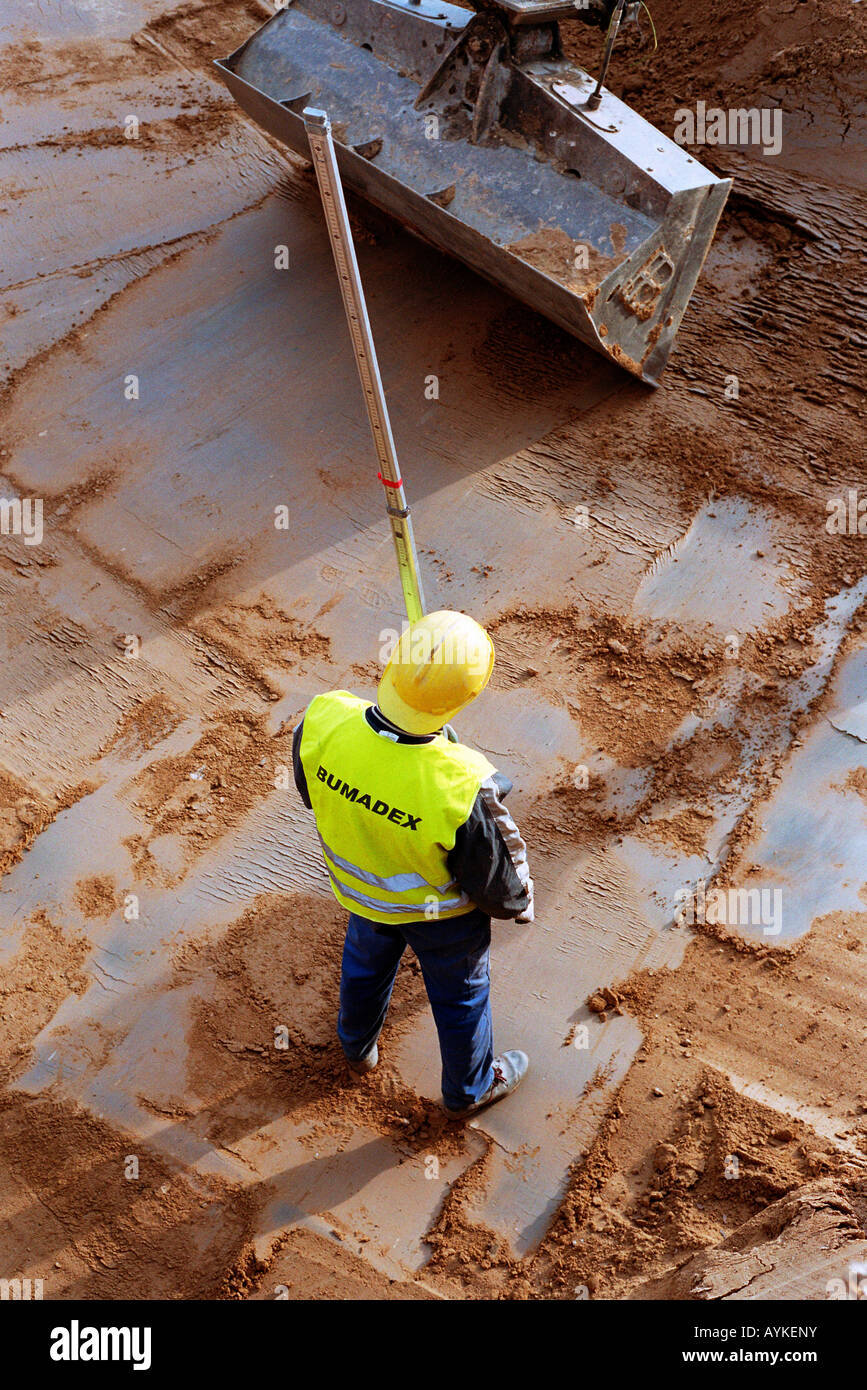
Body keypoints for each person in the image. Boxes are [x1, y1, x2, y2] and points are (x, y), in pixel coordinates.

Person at [291, 609, 534, 1118]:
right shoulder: (461, 783)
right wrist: (520, 903)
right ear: (466, 699)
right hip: (443, 920)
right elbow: (500, 889)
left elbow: (311, 793)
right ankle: (468, 1091)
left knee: (364, 967)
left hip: (363, 895)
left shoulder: (324, 717)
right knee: (460, 999)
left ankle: (357, 1046)